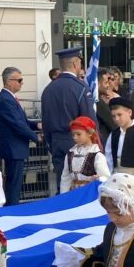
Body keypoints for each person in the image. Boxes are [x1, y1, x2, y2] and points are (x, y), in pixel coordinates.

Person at [41, 47, 96, 192]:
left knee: (62, 184)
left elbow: (45, 122)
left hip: (56, 142)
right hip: (78, 142)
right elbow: (88, 120)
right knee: (81, 187)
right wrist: (95, 143)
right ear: (75, 64)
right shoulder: (80, 88)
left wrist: (51, 143)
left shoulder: (48, 89)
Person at [0, 66, 39, 206]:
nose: (22, 83)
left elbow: (23, 121)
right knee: (13, 185)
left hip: (16, 148)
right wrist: (36, 137)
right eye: (19, 80)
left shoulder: (10, 98)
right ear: (8, 81)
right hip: (13, 149)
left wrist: (37, 125)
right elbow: (17, 124)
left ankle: (12, 207)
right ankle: (11, 211)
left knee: (15, 183)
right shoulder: (5, 100)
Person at [104, 96, 134, 182]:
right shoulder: (113, 134)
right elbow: (109, 158)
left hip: (133, 178)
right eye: (113, 116)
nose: (116, 119)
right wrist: (108, 178)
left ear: (129, 112)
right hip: (115, 178)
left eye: (119, 114)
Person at [60, 116, 109, 193]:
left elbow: (105, 177)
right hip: (73, 194)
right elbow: (65, 178)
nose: (75, 137)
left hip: (89, 194)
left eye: (78, 134)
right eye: (73, 134)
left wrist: (98, 179)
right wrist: (63, 196)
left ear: (89, 133)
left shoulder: (97, 155)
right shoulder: (70, 154)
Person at [95, 68, 119, 143]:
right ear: (98, 84)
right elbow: (113, 123)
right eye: (106, 83)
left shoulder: (101, 100)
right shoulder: (97, 102)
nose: (108, 85)